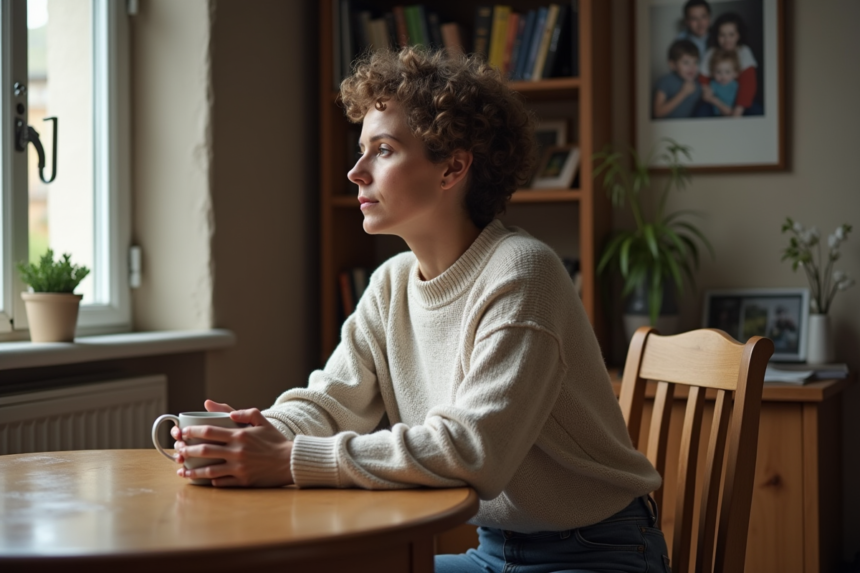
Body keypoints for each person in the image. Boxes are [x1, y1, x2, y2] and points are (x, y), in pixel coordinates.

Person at [171, 47, 668, 572]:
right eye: (361, 150)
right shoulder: (391, 283)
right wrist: (258, 434)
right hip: (492, 551)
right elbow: (330, 403)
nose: (355, 172)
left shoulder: (524, 273)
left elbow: (472, 452)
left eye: (382, 150)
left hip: (598, 554)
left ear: (453, 167)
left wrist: (289, 459)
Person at [699, 12, 761, 116]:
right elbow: (703, 77)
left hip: (738, 100)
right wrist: (708, 94)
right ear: (716, 36)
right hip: (715, 100)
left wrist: (737, 111)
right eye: (722, 35)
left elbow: (748, 83)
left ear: (738, 35)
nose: (727, 39)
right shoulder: (711, 52)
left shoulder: (744, 51)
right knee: (700, 114)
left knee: (758, 111)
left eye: (731, 35)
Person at [653, 39, 702, 119]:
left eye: (695, 62)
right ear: (673, 65)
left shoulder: (698, 85)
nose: (692, 67)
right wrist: (683, 93)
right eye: (686, 63)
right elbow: (658, 113)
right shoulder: (665, 81)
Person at [702, 49, 740, 116]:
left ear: (735, 73)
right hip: (717, 115)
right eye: (718, 72)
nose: (723, 76)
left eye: (727, 72)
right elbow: (706, 97)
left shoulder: (736, 85)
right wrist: (719, 104)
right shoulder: (713, 84)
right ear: (713, 73)